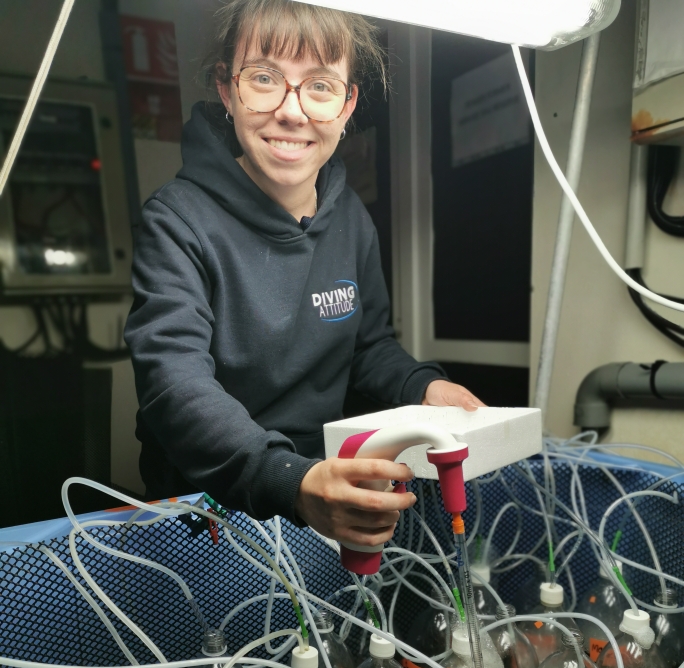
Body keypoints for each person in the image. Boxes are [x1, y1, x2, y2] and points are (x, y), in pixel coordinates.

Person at [125, 0, 484, 550]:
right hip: (207, 510)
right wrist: (289, 479)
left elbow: (368, 347)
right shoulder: (177, 220)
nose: (292, 112)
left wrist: (424, 386)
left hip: (321, 493)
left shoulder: (351, 218)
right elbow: (174, 383)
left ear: (347, 104)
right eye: (264, 78)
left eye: (319, 86)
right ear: (226, 89)